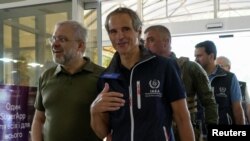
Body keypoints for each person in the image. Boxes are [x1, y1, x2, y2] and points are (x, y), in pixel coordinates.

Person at [90, 7, 195, 141]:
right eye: (113, 31)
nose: (120, 36)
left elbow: (182, 118)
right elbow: (104, 133)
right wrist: (94, 111)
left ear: (138, 31)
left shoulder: (164, 67)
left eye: (126, 29)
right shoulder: (106, 78)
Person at [31, 20, 104, 141]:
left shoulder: (102, 76)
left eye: (62, 39)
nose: (55, 44)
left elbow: (112, 124)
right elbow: (39, 119)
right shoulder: (46, 76)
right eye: (53, 39)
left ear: (80, 45)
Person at [144, 25, 218, 141]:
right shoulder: (144, 71)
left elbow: (209, 102)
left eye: (151, 40)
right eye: (145, 41)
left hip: (184, 132)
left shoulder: (190, 68)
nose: (145, 46)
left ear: (166, 42)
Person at [194, 40, 245, 125]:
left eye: (199, 56)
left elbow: (237, 110)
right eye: (195, 56)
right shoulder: (194, 78)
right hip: (200, 132)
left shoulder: (229, 78)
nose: (196, 60)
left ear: (211, 56)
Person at [216, 56, 250, 124]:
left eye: (220, 66)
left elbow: (248, 106)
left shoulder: (242, 85)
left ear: (228, 67)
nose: (217, 69)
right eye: (216, 66)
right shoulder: (212, 84)